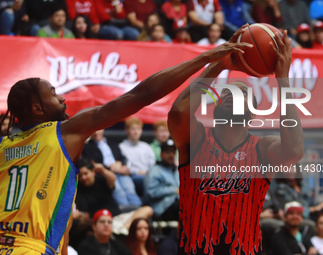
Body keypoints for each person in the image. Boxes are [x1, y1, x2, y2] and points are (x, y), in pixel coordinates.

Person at [0, 38, 252, 255]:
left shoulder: (3, 148)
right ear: (37, 109)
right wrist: (208, 58)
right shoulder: (63, 133)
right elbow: (141, 95)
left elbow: (60, 221)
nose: (62, 97)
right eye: (54, 94)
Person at [168, 25, 304, 253]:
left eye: (244, 94)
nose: (236, 95)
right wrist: (218, 65)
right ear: (216, 106)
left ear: (252, 113)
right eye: (228, 93)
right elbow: (178, 114)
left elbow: (295, 150)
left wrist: (283, 80)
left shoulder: (263, 148)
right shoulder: (197, 138)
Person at [76, 158, 152, 235]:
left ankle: (123, 229)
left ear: (93, 172)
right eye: (80, 176)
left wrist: (103, 170)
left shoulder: (101, 180)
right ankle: (121, 231)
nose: (83, 178)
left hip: (119, 217)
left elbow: (112, 180)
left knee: (147, 209)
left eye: (86, 174)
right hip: (103, 223)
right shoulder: (77, 191)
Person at [82, 129, 142, 209]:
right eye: (94, 130)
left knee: (129, 188)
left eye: (98, 130)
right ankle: (126, 212)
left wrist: (122, 165)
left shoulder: (113, 143)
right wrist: (112, 167)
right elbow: (94, 164)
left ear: (103, 129)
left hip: (120, 172)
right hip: (105, 173)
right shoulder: (87, 147)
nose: (96, 133)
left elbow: (122, 158)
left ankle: (139, 210)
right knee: (118, 191)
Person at [119, 116, 156, 197]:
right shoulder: (122, 147)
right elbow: (126, 167)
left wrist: (149, 172)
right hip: (134, 177)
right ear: (127, 130)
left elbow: (153, 163)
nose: (136, 132)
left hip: (149, 174)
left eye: (138, 129)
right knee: (149, 180)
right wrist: (140, 172)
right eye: (133, 129)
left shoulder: (146, 146)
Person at [144, 139, 180, 220]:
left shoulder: (178, 170)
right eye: (167, 152)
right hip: (161, 207)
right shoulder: (154, 171)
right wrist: (174, 190)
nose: (171, 155)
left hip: (177, 204)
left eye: (173, 152)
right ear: (161, 154)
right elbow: (150, 193)